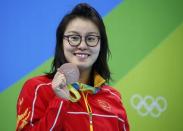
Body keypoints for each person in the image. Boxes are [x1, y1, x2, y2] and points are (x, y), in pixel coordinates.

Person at [16, 3, 129, 131]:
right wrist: (60, 101)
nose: (82, 45)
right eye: (74, 38)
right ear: (61, 43)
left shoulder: (114, 97)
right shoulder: (37, 88)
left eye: (91, 38)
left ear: (101, 46)